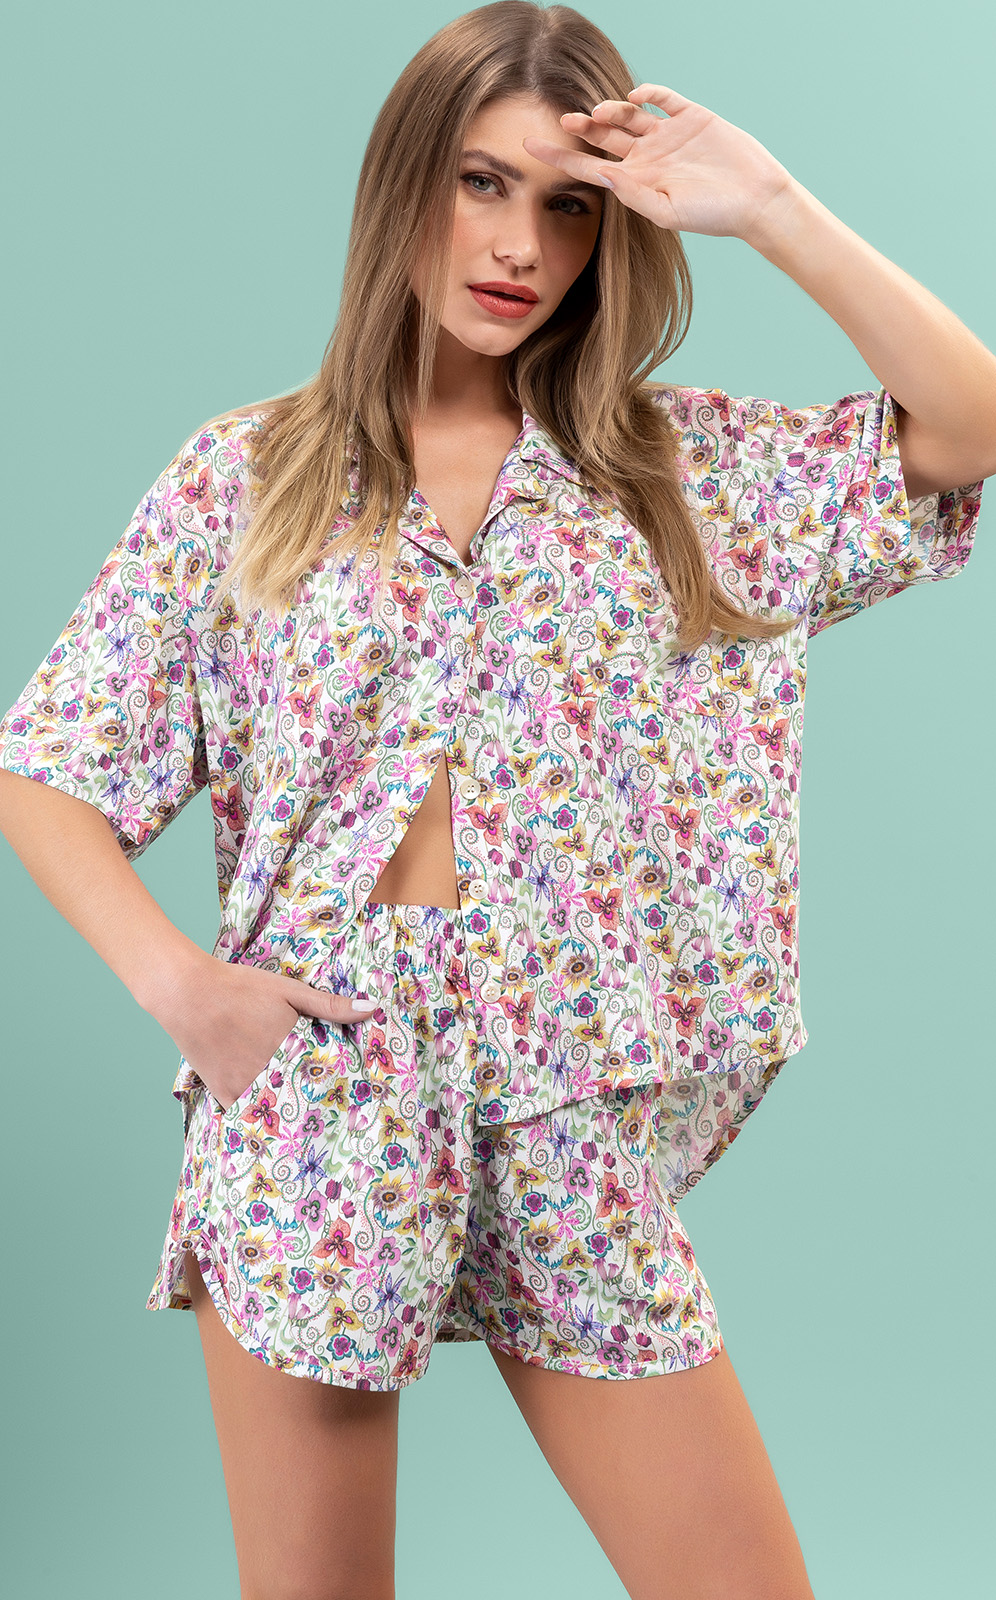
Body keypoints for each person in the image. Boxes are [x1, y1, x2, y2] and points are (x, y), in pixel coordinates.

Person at [0, 2, 991, 1596]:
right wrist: (185, 992)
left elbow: (968, 427)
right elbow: (49, 767)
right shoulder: (244, 479)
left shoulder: (676, 477)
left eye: (569, 205)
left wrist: (770, 206)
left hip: (565, 1075)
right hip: (323, 1079)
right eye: (480, 182)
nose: (521, 243)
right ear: (404, 183)